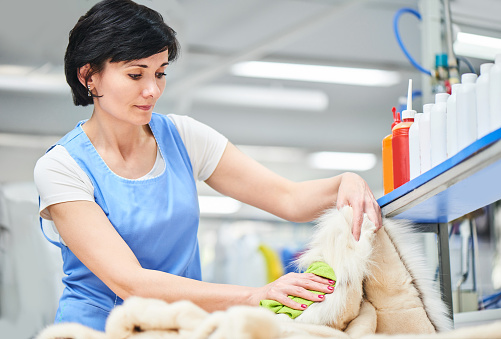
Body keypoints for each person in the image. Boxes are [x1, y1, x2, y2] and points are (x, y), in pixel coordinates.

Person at [34, 0, 382, 332]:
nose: (152, 90)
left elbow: (288, 198)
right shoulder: (62, 168)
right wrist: (252, 296)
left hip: (177, 328)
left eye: (160, 73)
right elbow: (130, 282)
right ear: (88, 76)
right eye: (136, 74)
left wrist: (344, 182)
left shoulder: (184, 137)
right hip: (96, 331)